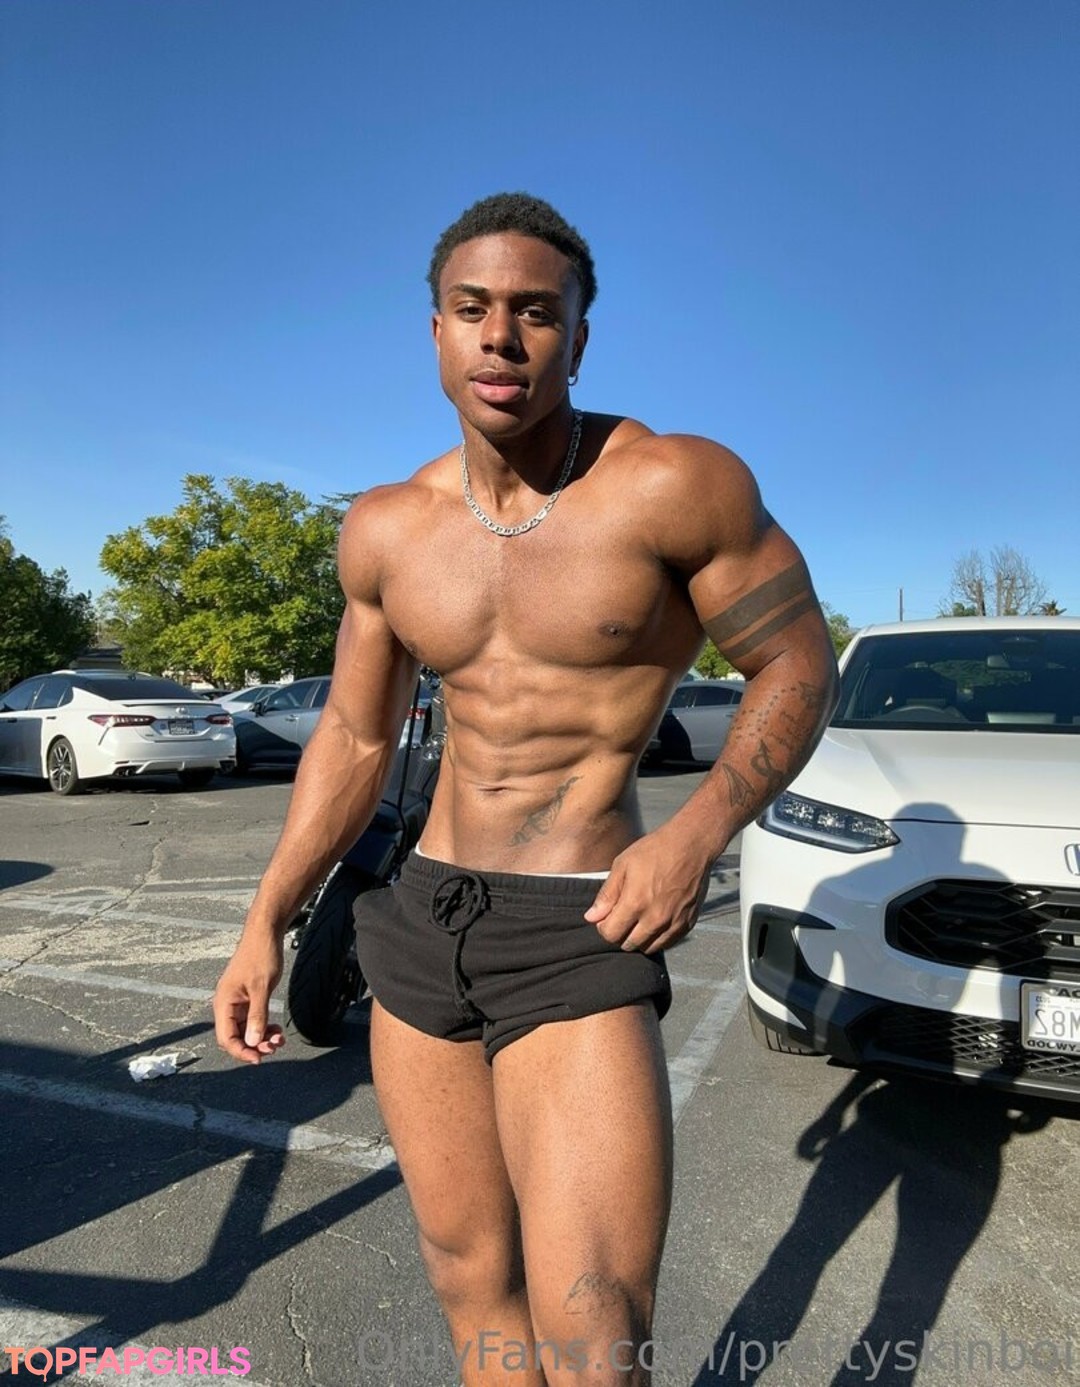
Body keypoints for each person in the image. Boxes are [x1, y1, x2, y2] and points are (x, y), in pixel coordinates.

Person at [213, 191, 839, 1386]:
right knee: (471, 1282)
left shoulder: (674, 485)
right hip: (422, 919)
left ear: (578, 337)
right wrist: (265, 917)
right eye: (473, 309)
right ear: (437, 332)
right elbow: (354, 735)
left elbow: (799, 662)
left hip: (577, 925)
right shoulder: (389, 528)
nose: (501, 337)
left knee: (597, 1332)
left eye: (536, 313)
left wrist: (697, 834)